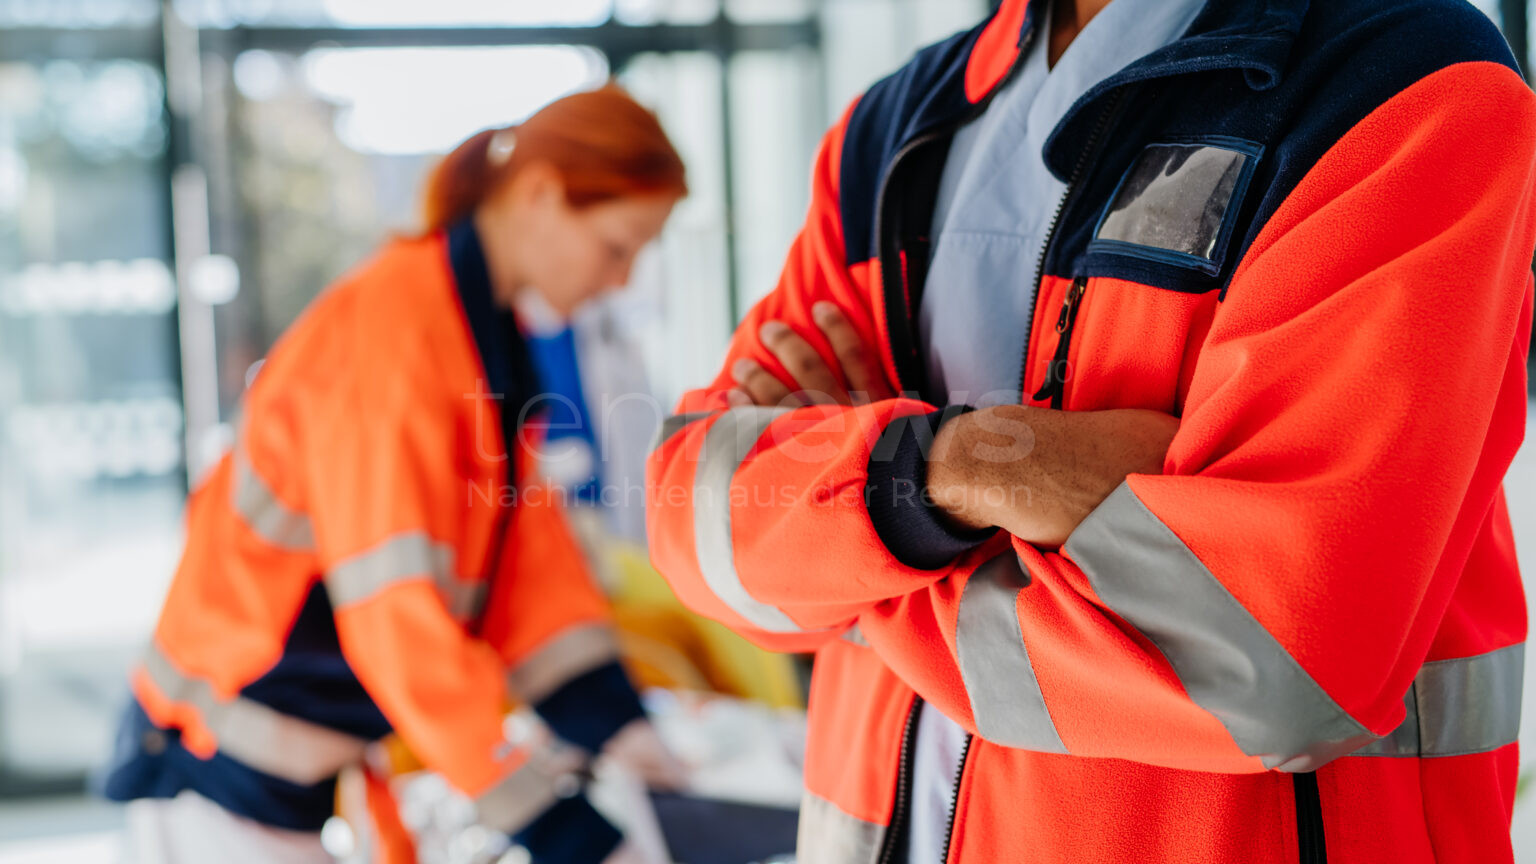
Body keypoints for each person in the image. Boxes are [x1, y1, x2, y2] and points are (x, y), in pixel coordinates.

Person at [645, 0, 1536, 862]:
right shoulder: (891, 127)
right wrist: (958, 473)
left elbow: (1263, 661)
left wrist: (848, 535)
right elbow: (693, 512)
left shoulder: (1401, 83)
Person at [103, 84, 688, 864]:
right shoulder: (398, 334)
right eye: (618, 247)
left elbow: (529, 569)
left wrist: (617, 724)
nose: (619, 279)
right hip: (218, 780)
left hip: (280, 780)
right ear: (542, 195)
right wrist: (558, 828)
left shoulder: (484, 338)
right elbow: (395, 618)